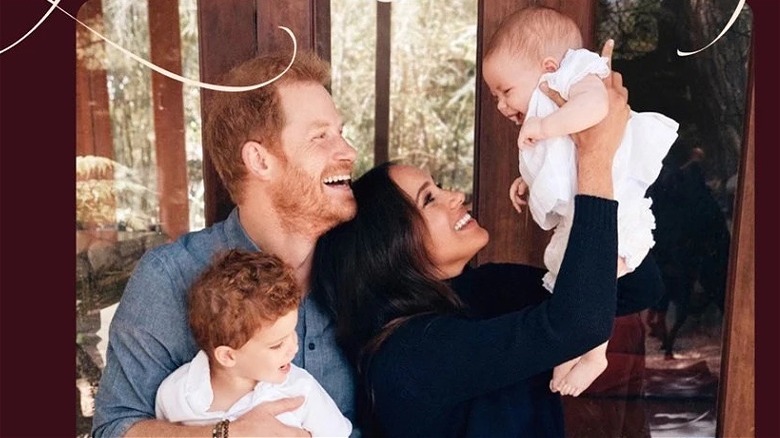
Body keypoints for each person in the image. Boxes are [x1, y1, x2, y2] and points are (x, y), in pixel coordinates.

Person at [311, 43, 664, 437]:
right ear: (389, 247)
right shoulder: (409, 354)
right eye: (429, 198)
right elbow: (577, 323)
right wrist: (594, 157)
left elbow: (636, 287)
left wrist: (568, 180)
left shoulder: (486, 289)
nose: (455, 196)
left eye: (440, 186)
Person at [92, 51, 358, 437]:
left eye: (340, 131)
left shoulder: (361, 262)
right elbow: (113, 428)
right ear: (260, 160)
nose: (347, 150)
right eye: (321, 136)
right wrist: (225, 434)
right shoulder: (169, 278)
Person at [481, 5, 678, 396]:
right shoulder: (551, 101)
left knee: (595, 276)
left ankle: (594, 353)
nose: (502, 105)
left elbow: (596, 108)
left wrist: (544, 125)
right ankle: (572, 348)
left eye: (506, 91)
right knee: (569, 278)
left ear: (549, 66)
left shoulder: (578, 75)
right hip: (586, 206)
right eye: (495, 97)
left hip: (615, 204)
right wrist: (527, 179)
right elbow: (563, 160)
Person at [155, 249, 352, 437]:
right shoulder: (178, 394)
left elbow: (336, 433)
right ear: (228, 356)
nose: (294, 348)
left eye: (292, 333)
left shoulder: (299, 389)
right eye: (277, 345)